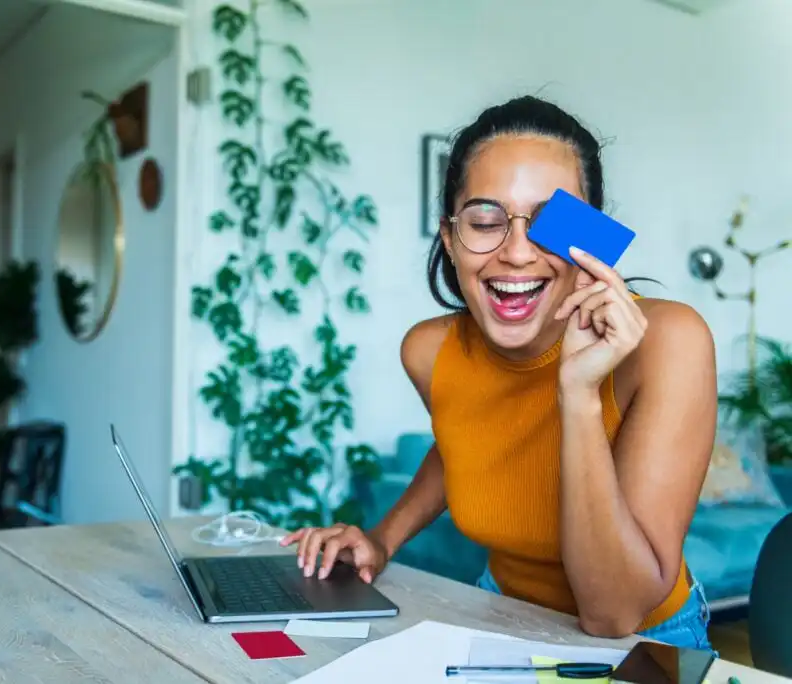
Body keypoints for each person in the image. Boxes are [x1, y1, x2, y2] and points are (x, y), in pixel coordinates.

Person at [279, 95, 718, 650]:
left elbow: (613, 615)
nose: (515, 253)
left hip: (651, 643)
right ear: (449, 240)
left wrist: (578, 393)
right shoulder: (429, 351)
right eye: (485, 220)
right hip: (500, 612)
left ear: (590, 239)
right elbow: (465, 444)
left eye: (549, 224)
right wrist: (382, 539)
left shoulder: (669, 343)